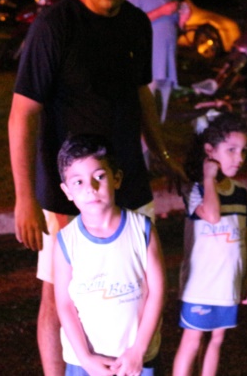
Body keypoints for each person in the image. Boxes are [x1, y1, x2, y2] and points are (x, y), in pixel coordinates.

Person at [8, 0, 182, 376]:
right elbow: (22, 113)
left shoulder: (137, 25)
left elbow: (141, 95)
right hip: (70, 190)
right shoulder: (54, 26)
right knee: (59, 296)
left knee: (139, 287)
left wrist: (163, 155)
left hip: (128, 178)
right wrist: (26, 198)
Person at [54, 134, 165, 376]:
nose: (91, 188)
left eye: (99, 177)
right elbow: (64, 304)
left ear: (116, 178)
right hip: (85, 364)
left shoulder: (142, 229)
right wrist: (85, 359)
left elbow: (157, 292)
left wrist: (138, 351)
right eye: (78, 182)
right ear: (67, 191)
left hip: (137, 360)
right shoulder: (66, 241)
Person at [173, 111, 247, 376]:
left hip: (227, 284)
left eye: (243, 151)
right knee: (192, 341)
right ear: (210, 151)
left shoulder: (241, 192)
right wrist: (209, 178)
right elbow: (212, 214)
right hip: (200, 286)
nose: (239, 158)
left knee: (217, 339)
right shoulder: (196, 190)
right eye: (231, 150)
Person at [126, 0, 190, 123]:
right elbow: (128, 23)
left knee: (160, 113)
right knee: (143, 111)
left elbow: (173, 29)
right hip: (147, 63)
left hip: (167, 64)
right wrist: (161, 11)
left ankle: (155, 137)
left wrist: (182, 21)